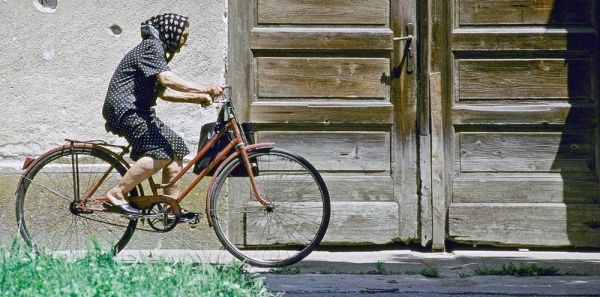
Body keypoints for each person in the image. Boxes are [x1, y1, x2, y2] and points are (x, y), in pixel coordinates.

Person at [102, 13, 224, 216]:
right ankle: (117, 193)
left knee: (175, 149)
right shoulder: (152, 46)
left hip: (139, 110)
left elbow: (163, 91)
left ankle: (170, 209)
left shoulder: (157, 50)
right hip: (126, 109)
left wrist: (198, 97)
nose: (184, 42)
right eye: (183, 36)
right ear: (172, 32)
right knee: (161, 153)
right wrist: (205, 88)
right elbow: (168, 80)